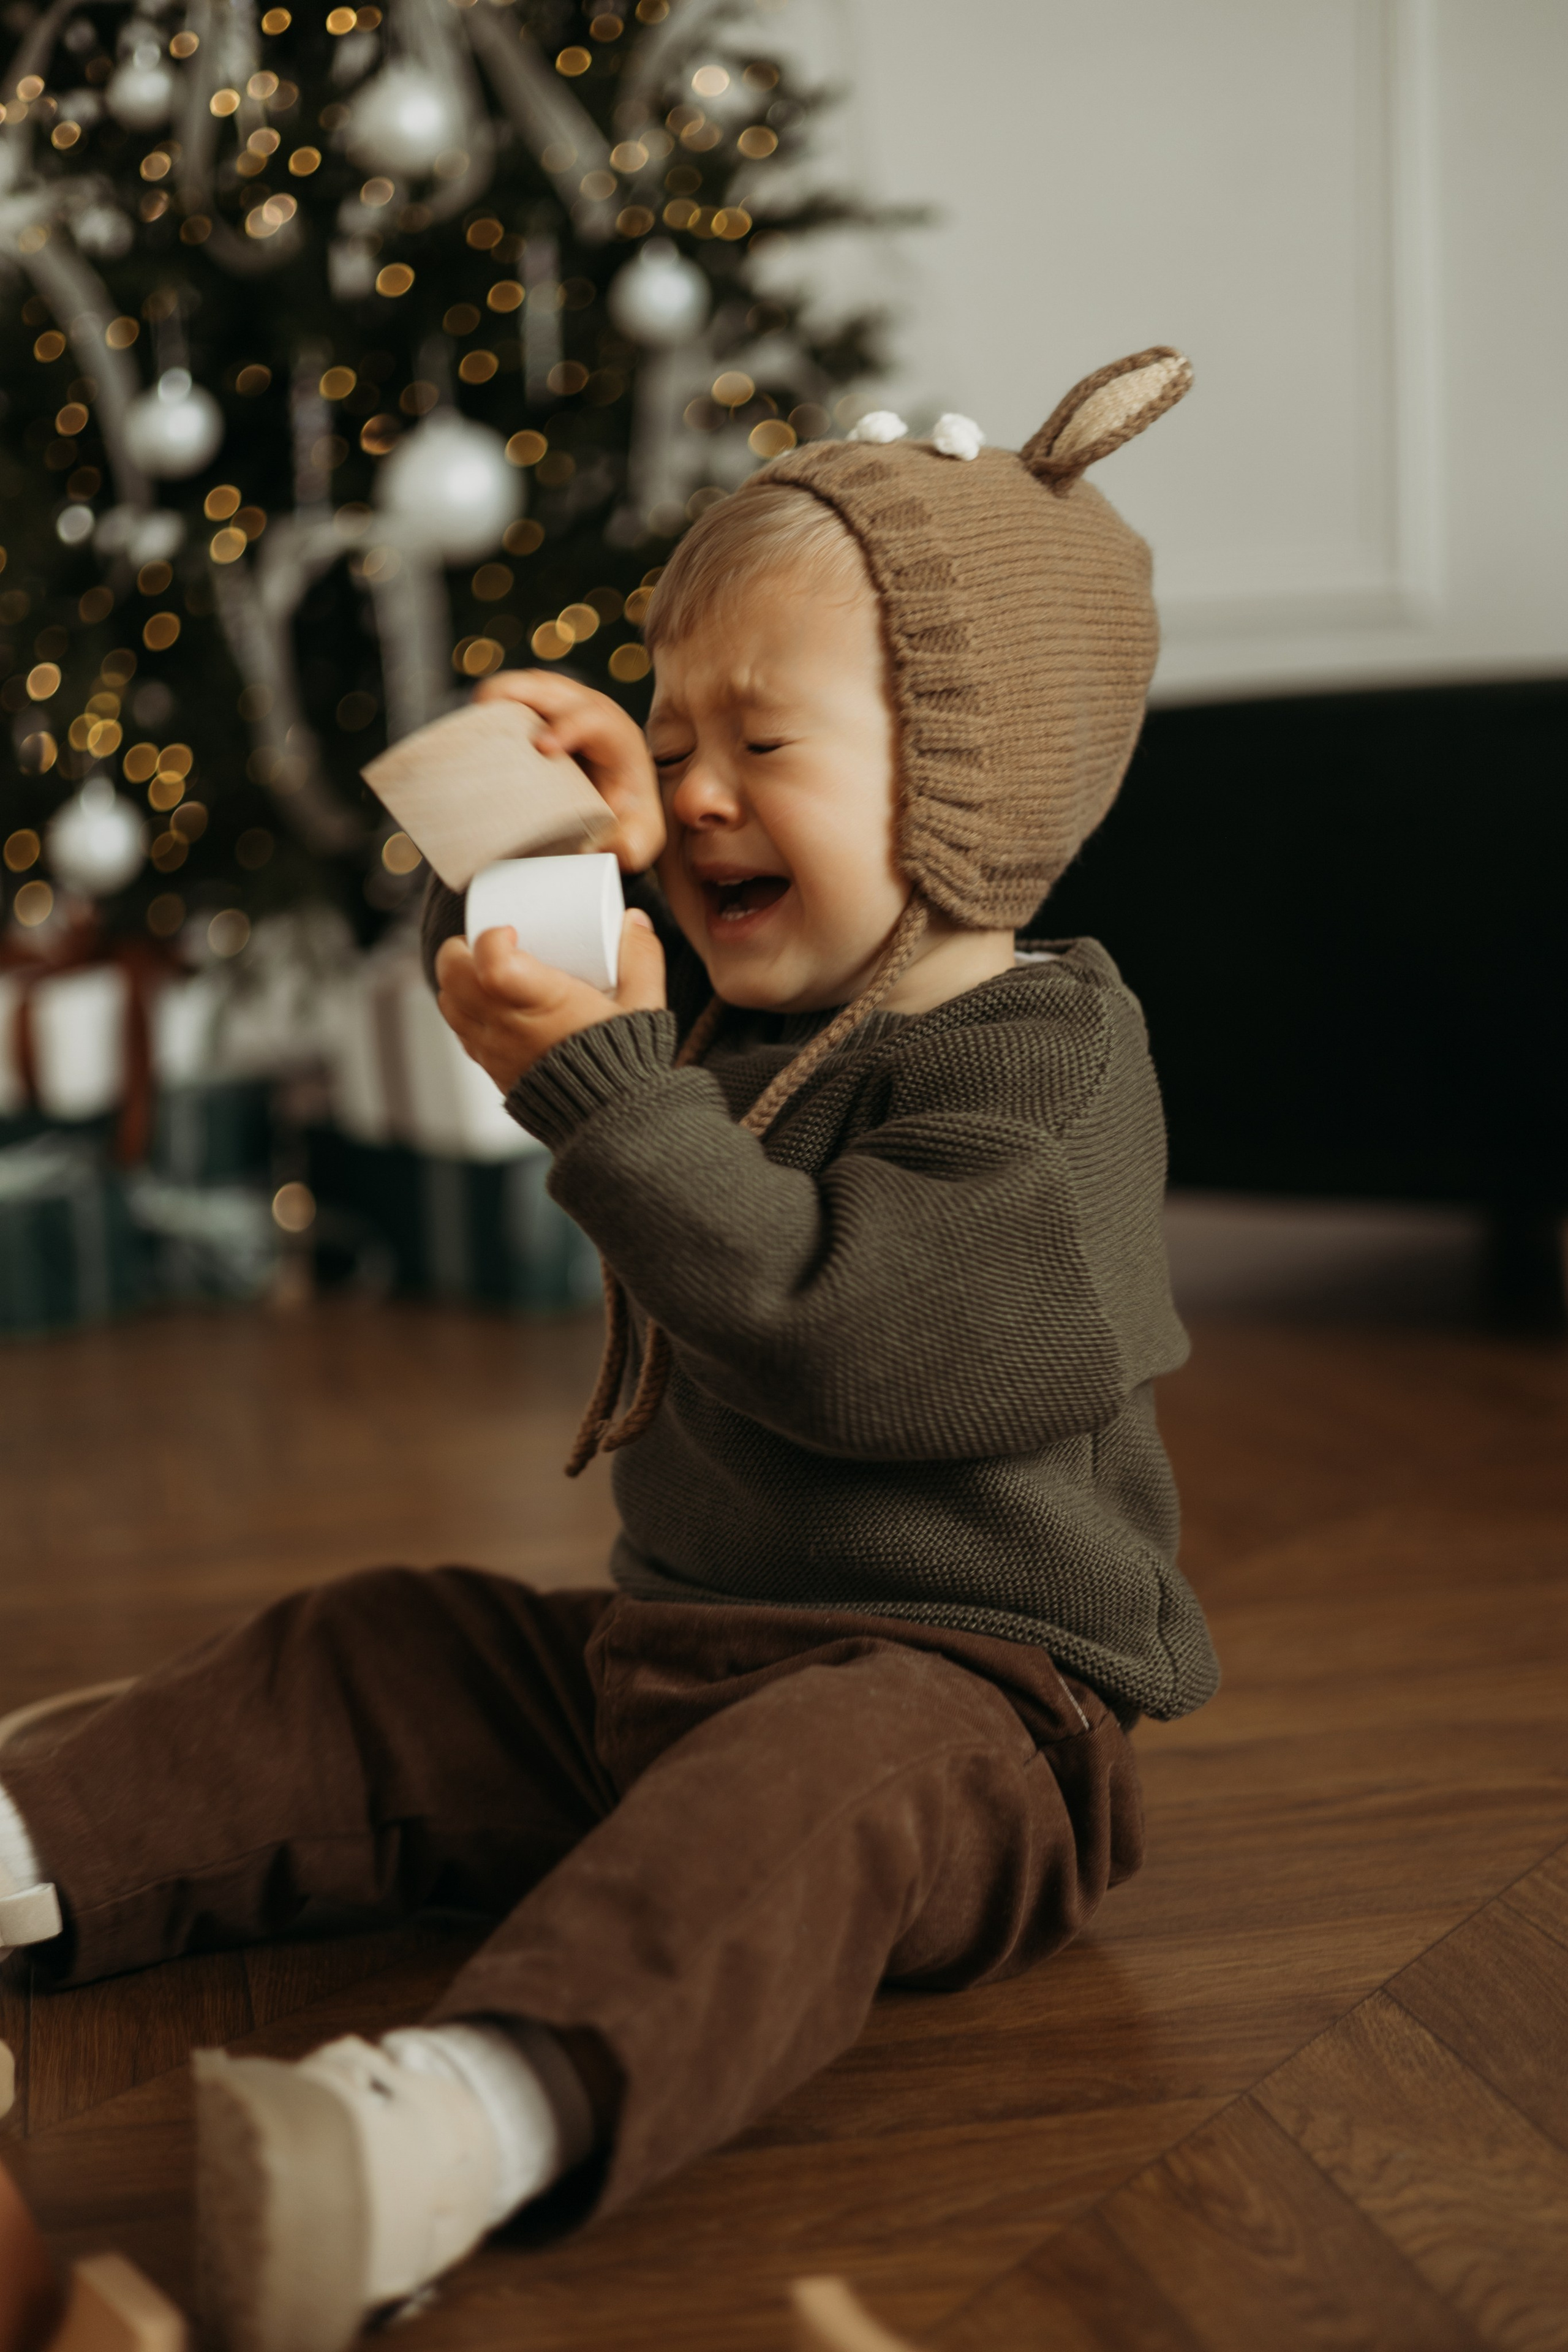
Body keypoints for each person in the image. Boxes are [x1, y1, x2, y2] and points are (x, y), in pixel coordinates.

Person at [0, 349, 1218, 2352]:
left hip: (979, 1721)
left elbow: (861, 1353)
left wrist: (621, 1096)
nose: (703, 788)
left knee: (804, 1796)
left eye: (766, 743)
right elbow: (582, 1034)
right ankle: (41, 1842)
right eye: (675, 733)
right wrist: (525, 847)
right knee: (372, 1651)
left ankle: (466, 2117)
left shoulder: (1047, 1075)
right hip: (675, 1655)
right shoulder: (745, 1019)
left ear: (975, 784)